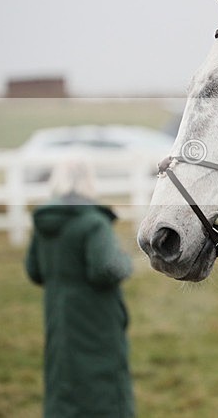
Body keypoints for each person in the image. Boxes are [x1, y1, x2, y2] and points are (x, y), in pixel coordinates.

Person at [25, 157, 135, 417]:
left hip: (57, 315)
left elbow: (34, 271)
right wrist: (126, 263)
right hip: (95, 318)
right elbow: (105, 269)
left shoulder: (43, 223)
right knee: (102, 377)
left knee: (63, 377)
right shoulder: (94, 222)